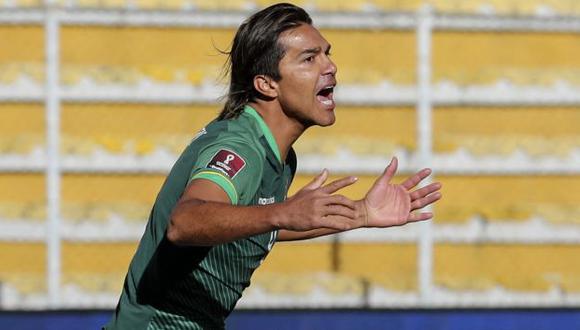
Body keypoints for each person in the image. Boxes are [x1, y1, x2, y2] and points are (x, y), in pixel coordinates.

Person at [104, 3, 442, 329]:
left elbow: (253, 225)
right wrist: (281, 212)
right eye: (309, 58)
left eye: (327, 52)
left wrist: (360, 213)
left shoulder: (277, 154)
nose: (330, 66)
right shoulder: (240, 148)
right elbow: (185, 222)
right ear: (267, 84)